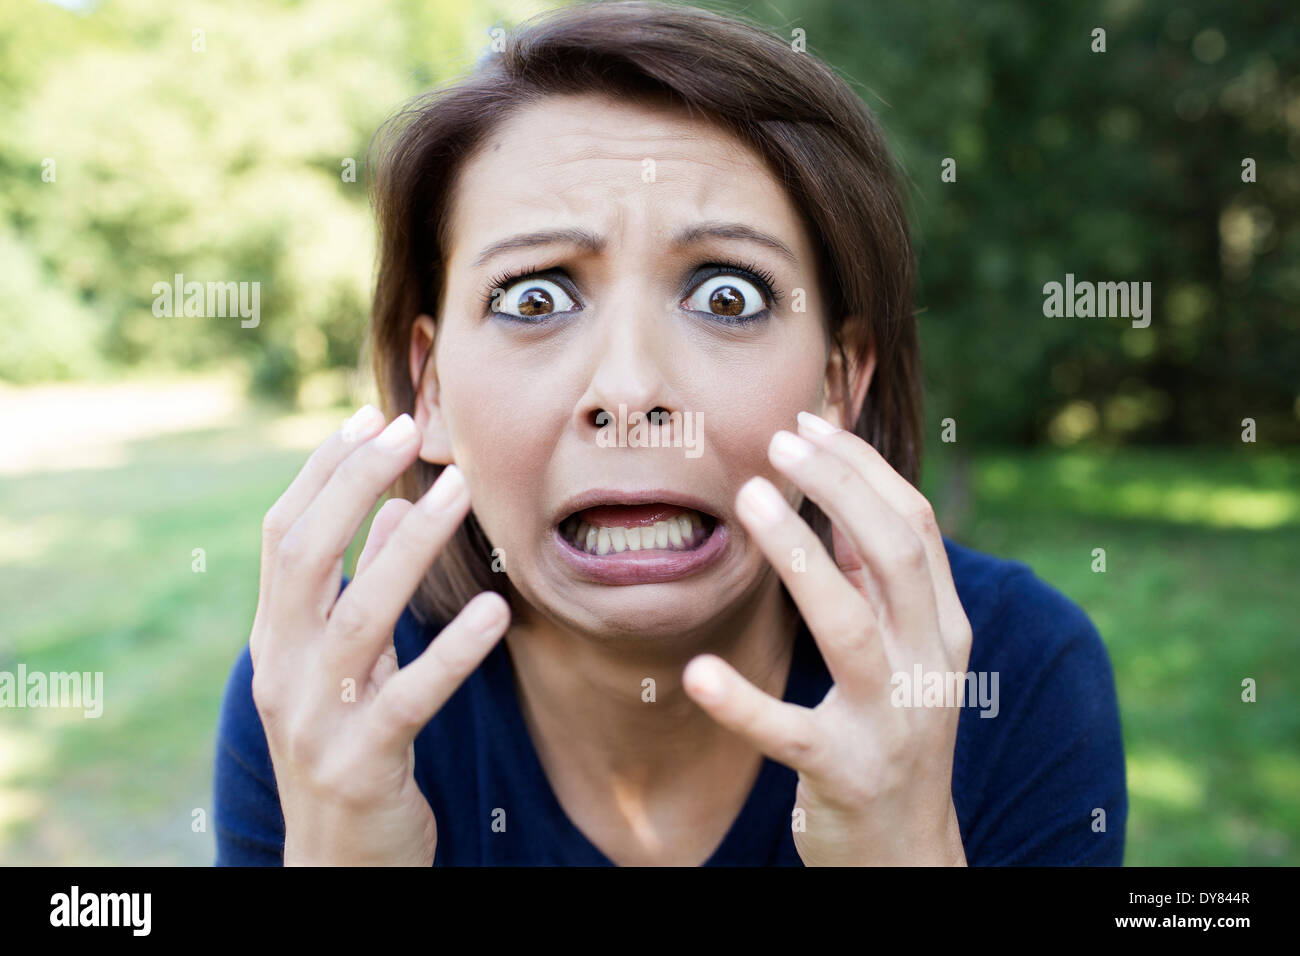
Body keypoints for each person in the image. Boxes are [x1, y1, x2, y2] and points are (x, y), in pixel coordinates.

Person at [213, 0, 1126, 866]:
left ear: (839, 381)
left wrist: (903, 847)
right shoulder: (318, 703)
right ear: (433, 386)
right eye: (536, 297)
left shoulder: (1017, 677)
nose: (631, 389)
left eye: (727, 296)